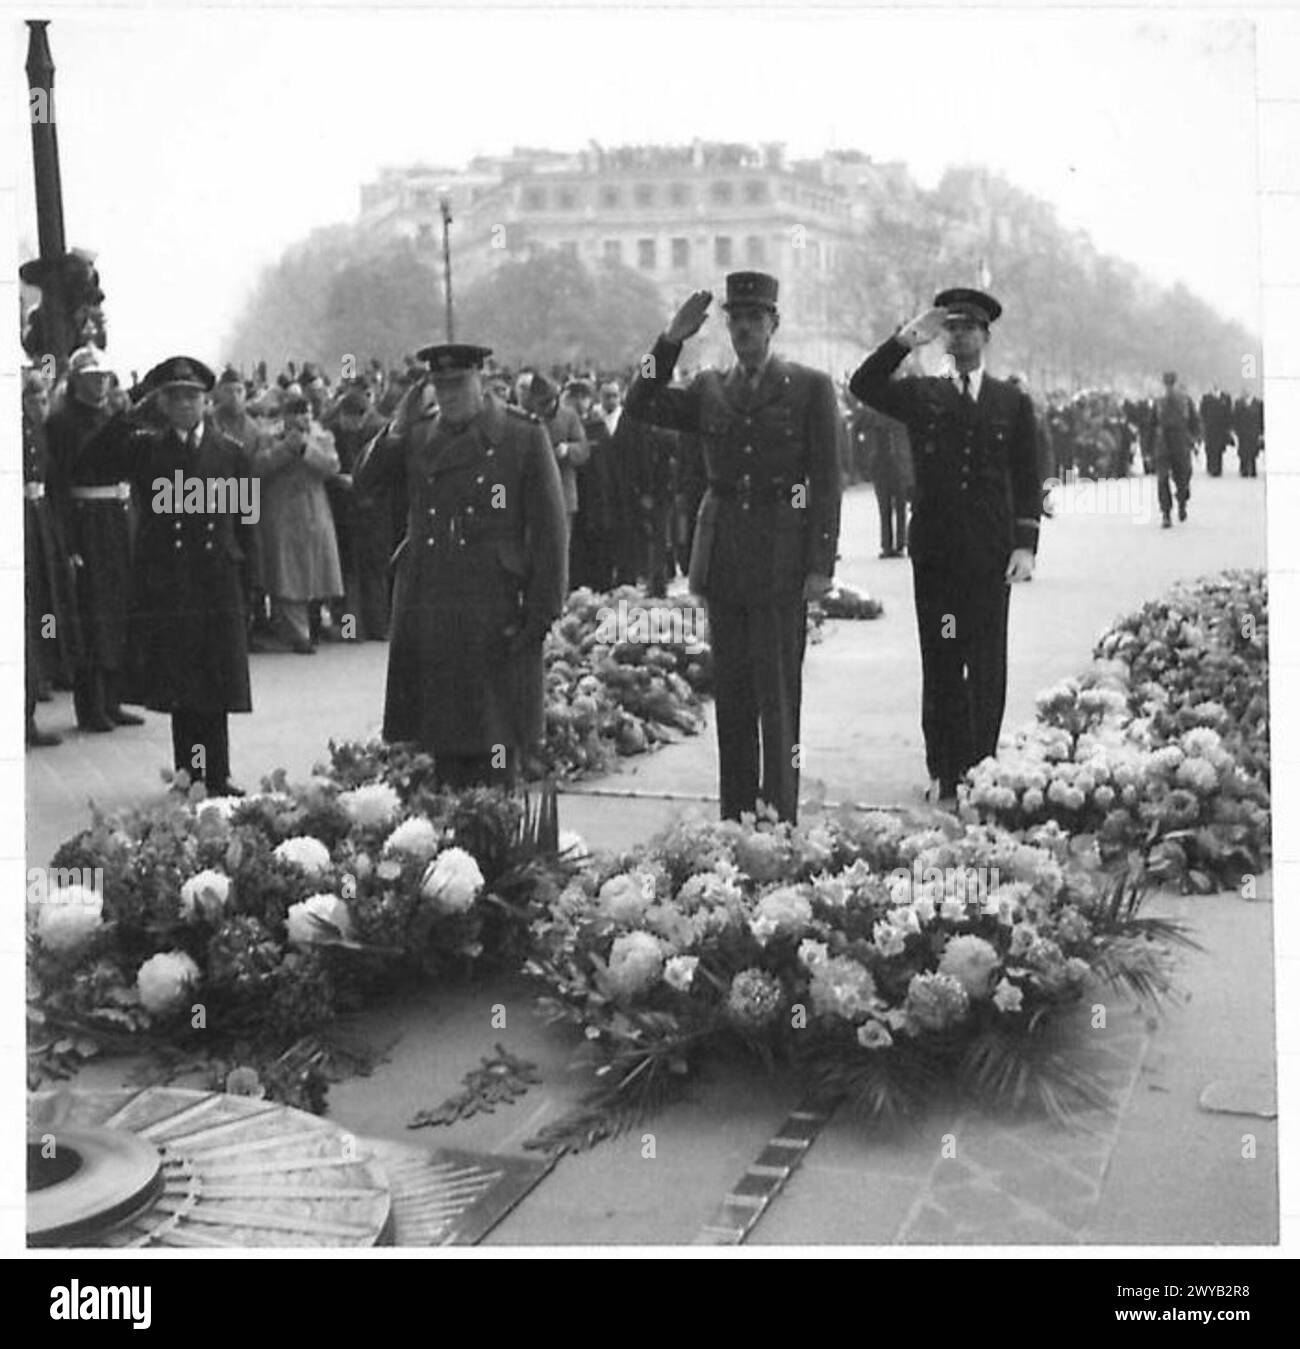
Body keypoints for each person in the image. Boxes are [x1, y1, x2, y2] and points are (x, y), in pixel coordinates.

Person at [624, 271, 842, 823]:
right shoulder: (708, 389)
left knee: (778, 696)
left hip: (782, 553)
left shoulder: (810, 387)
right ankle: (737, 815)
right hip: (724, 556)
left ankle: (780, 815)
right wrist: (669, 341)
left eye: (755, 319)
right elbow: (640, 402)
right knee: (734, 697)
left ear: (774, 324)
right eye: (736, 320)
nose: (745, 328)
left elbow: (825, 479)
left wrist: (820, 562)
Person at [849, 287, 1041, 807]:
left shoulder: (1011, 401)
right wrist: (906, 339)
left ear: (986, 336)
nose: (960, 336)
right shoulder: (922, 394)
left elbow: (1028, 474)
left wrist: (1026, 545)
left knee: (986, 662)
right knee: (940, 659)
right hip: (936, 553)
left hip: (988, 554)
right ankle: (945, 768)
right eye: (951, 327)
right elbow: (863, 383)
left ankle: (982, 765)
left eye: (969, 328)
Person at [352, 343, 568, 789]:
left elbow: (550, 533)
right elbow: (365, 484)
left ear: (480, 381)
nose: (448, 395)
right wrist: (395, 427)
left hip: (494, 606)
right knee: (443, 743)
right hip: (432, 604)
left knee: (494, 743)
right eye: (440, 386)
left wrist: (541, 614)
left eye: (458, 384)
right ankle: (454, 849)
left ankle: (494, 849)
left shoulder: (521, 435)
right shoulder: (418, 433)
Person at [76, 356, 255, 793]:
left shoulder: (230, 452)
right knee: (182, 687)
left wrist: (254, 587)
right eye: (175, 398)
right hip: (168, 583)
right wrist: (132, 406)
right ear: (164, 404)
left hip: (216, 581)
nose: (185, 406)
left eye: (192, 397)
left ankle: (218, 773)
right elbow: (89, 462)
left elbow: (248, 525)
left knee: (215, 684)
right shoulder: (146, 449)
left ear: (205, 401)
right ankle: (188, 773)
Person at [47, 347, 143, 732]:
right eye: (93, 377)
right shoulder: (62, 422)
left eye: (104, 376)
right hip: (87, 522)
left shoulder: (108, 415)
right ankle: (91, 706)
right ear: (77, 380)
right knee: (92, 612)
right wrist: (68, 542)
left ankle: (114, 698)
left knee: (119, 609)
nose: (101, 383)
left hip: (117, 516)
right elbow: (60, 484)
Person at [251, 394, 344, 652]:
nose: (304, 418)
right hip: (282, 514)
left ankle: (315, 624)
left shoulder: (322, 437)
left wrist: (305, 450)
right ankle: (298, 634)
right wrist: (285, 449)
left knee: (316, 573)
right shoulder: (268, 437)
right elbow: (258, 467)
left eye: (307, 413)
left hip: (315, 514)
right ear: (286, 416)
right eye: (298, 413)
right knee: (287, 575)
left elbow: (332, 465)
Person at [23, 369, 81, 746]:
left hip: (39, 518)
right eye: (33, 399)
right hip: (21, 521)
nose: (39, 406)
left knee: (43, 611)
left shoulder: (40, 431)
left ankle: (31, 703)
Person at [322, 385, 392, 639]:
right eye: (348, 418)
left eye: (358, 418)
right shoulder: (329, 433)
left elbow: (388, 475)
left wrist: (359, 484)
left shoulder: (380, 434)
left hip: (372, 513)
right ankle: (350, 628)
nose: (353, 424)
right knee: (346, 576)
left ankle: (378, 627)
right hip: (340, 512)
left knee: (374, 573)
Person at [855, 401, 913, 556]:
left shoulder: (896, 411)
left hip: (896, 464)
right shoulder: (874, 412)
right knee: (887, 505)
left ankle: (897, 544)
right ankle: (891, 544)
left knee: (898, 505)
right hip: (884, 465)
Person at [1154, 371, 1199, 527]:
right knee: (1162, 479)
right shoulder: (1159, 402)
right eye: (1167, 383)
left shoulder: (1185, 401)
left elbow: (1194, 421)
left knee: (1182, 478)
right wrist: (1148, 447)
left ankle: (1181, 502)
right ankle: (1166, 513)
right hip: (1163, 445)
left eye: (1170, 383)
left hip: (1180, 443)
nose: (1168, 386)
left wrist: (1194, 439)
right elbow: (1151, 424)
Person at [1200, 387, 1231, 478]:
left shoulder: (1225, 398)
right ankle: (1210, 467)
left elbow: (1228, 413)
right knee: (1210, 449)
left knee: (1219, 449)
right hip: (1209, 428)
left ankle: (1218, 468)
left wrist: (1228, 427)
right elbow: (1202, 412)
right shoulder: (1206, 398)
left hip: (1221, 428)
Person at [1234, 392, 1263, 477]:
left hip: (1254, 432)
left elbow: (1261, 418)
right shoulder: (1239, 403)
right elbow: (1236, 417)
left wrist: (1261, 432)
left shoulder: (1258, 403)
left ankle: (1253, 469)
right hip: (1242, 432)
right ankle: (1244, 470)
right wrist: (1236, 430)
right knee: (1243, 451)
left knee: (1253, 451)